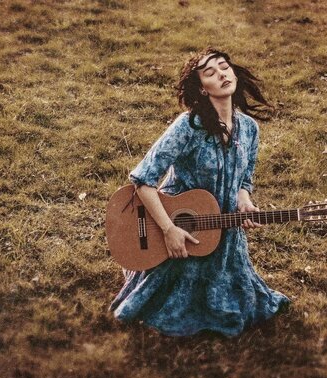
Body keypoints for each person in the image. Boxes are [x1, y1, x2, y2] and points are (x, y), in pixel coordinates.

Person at [109, 47, 290, 337]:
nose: (221, 74)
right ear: (203, 90)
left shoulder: (249, 129)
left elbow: (245, 179)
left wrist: (244, 201)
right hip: (176, 229)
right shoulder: (188, 126)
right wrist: (169, 230)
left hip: (224, 236)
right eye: (210, 72)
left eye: (224, 67)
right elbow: (143, 180)